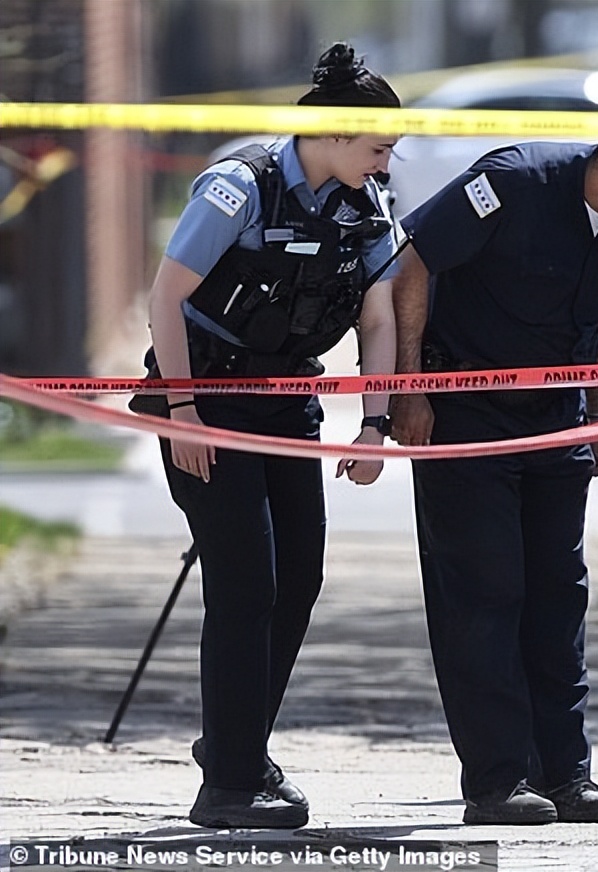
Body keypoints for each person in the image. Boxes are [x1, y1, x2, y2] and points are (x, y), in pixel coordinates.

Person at [389, 139, 598, 824]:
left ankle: (566, 774)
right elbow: (411, 269)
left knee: (559, 600)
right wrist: (407, 390)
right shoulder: (513, 182)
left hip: (555, 418)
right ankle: (497, 781)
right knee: (485, 594)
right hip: (466, 412)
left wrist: (597, 416)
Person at [142, 43, 402, 828]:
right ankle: (227, 787)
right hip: (206, 401)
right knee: (246, 585)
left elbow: (381, 317)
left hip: (289, 406)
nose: (387, 163)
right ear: (331, 133)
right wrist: (183, 413)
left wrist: (375, 423)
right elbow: (165, 298)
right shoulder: (239, 188)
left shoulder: (370, 206)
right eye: (378, 147)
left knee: (298, 583)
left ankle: (237, 746)